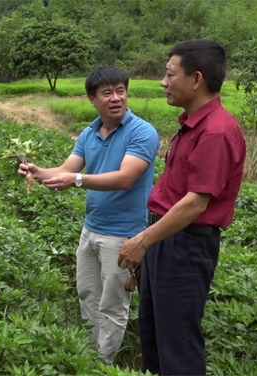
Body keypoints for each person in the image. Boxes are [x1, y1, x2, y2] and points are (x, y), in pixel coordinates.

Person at [118, 39, 246, 375]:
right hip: (167, 237)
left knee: (177, 344)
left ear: (196, 79)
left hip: (186, 243)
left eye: (169, 74)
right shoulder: (191, 124)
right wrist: (151, 242)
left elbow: (194, 203)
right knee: (155, 337)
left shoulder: (217, 131)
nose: (163, 82)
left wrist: (143, 241)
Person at [19, 66, 159, 364]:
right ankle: (89, 355)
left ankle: (101, 365)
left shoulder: (142, 132)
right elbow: (65, 171)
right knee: (87, 295)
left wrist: (78, 180)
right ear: (91, 99)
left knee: (113, 303)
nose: (115, 98)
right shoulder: (89, 132)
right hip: (91, 229)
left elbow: (125, 178)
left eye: (120, 90)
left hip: (123, 235)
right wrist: (36, 172)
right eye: (106, 93)